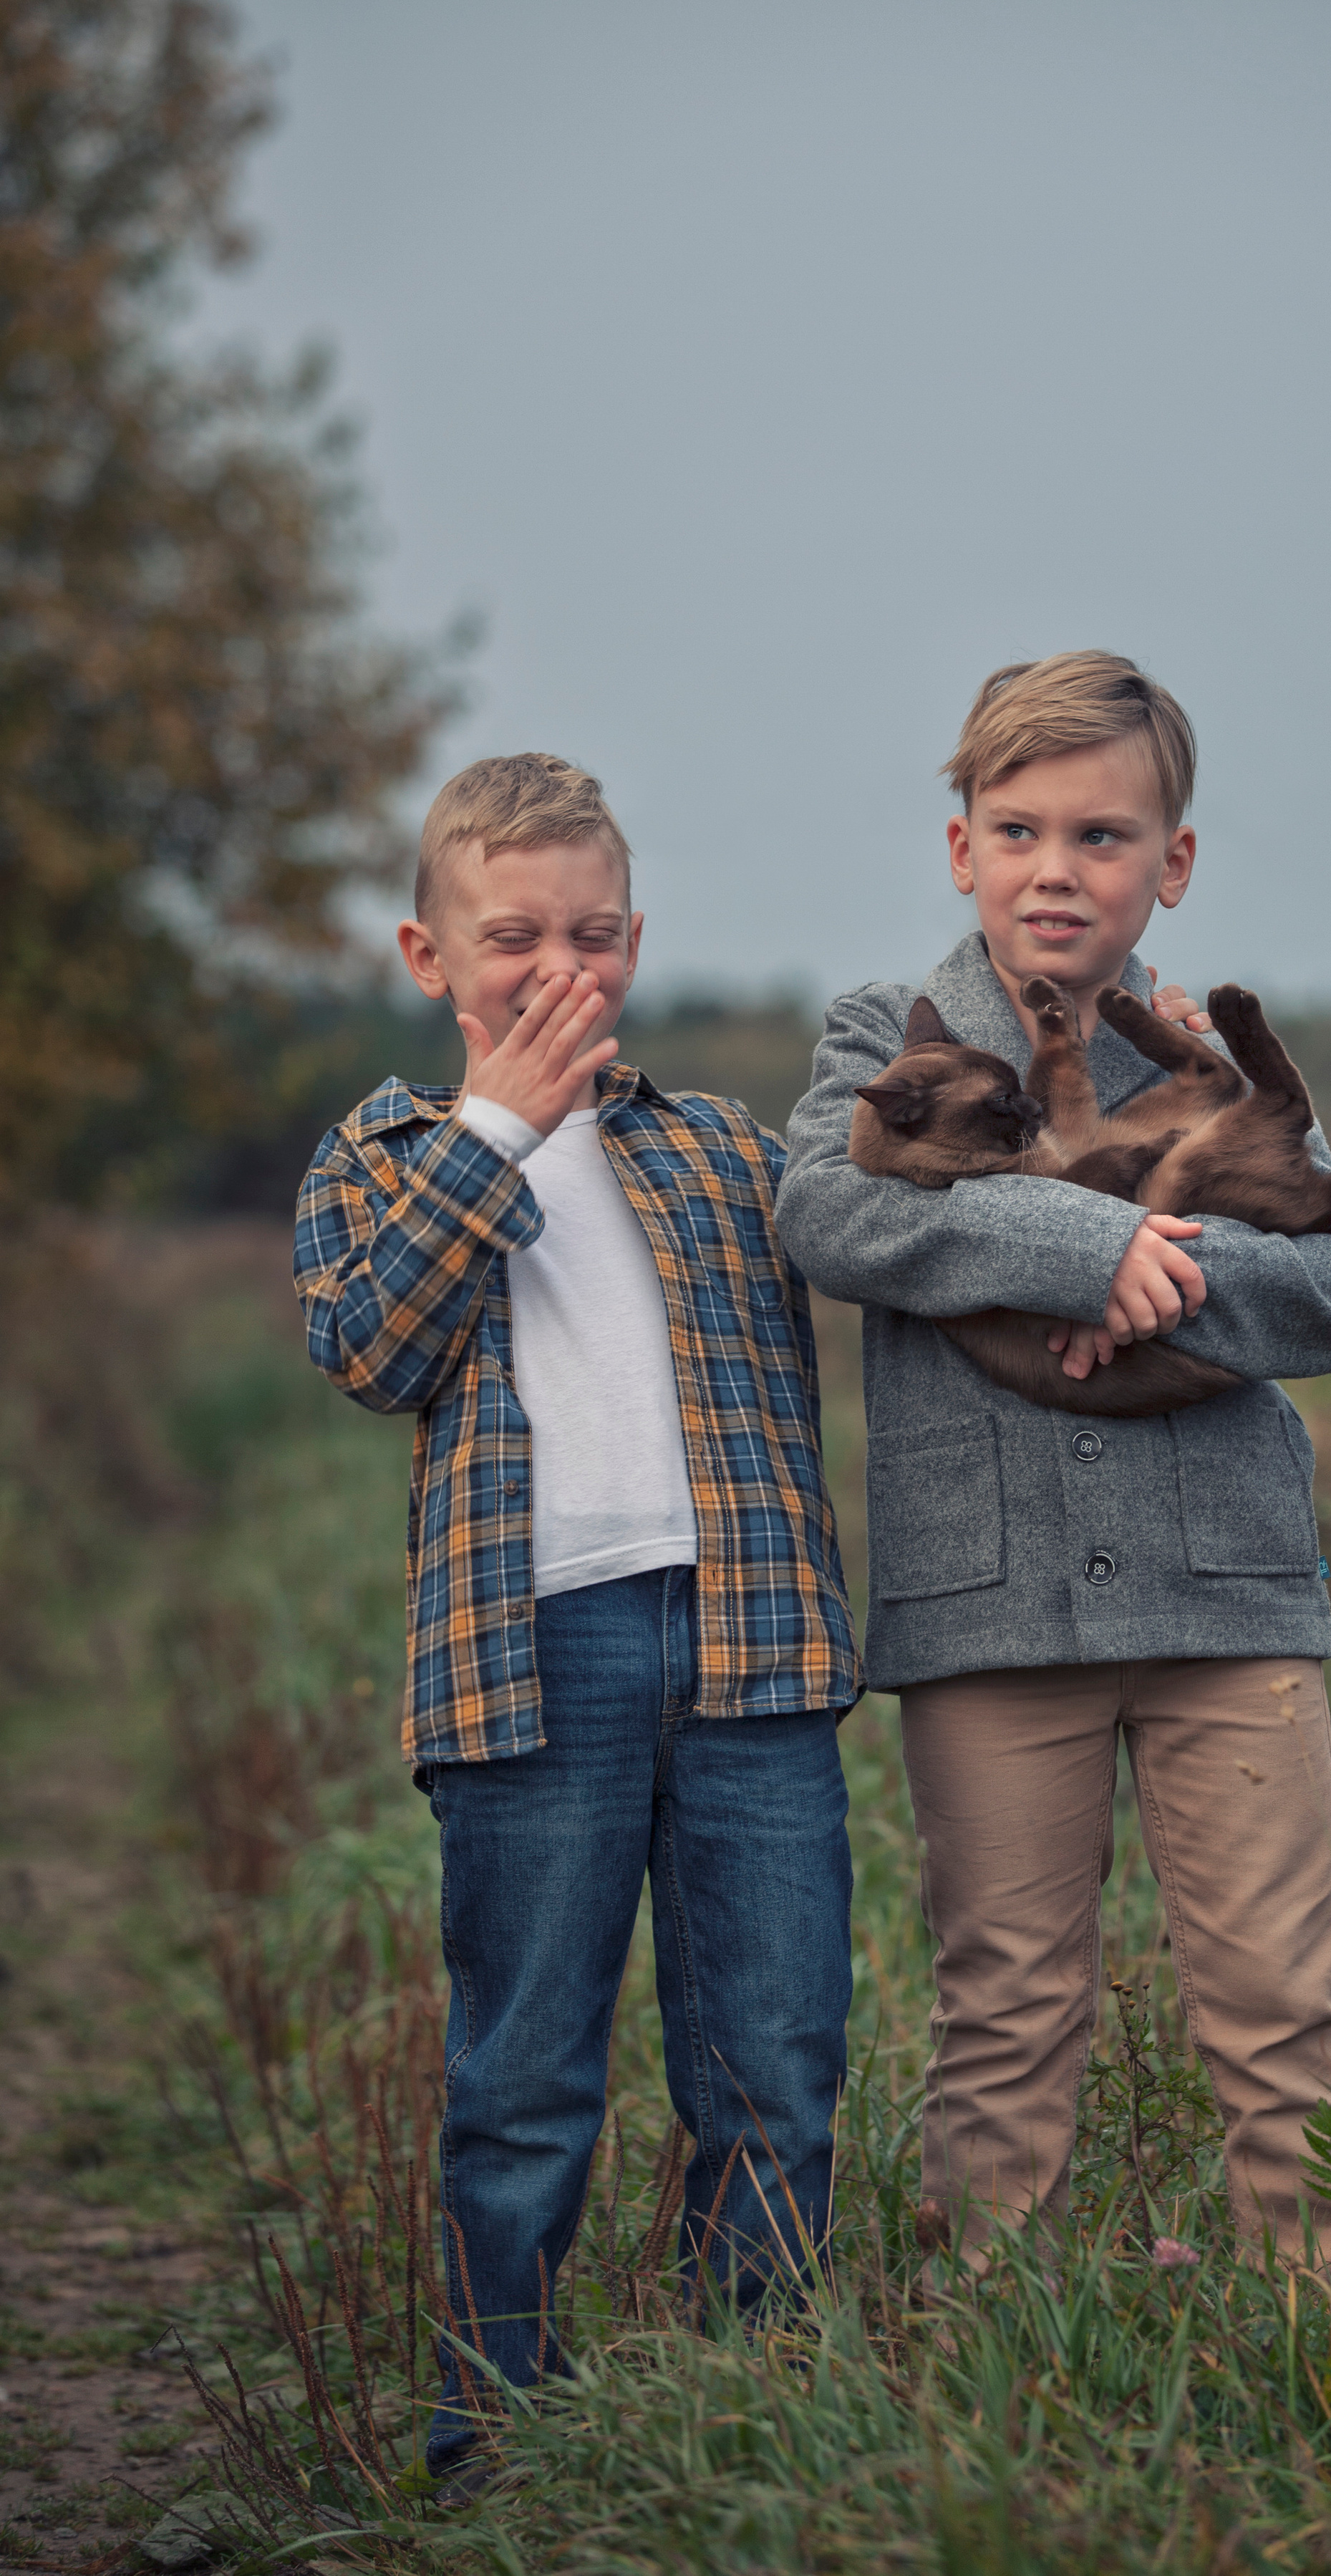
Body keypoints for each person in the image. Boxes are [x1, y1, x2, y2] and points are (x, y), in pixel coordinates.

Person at [775, 653, 1331, 2274]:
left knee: (1285, 1993)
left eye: (1102, 836)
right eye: (1019, 830)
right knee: (1004, 2003)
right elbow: (829, 1209)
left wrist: (1169, 1273)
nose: (1055, 869)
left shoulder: (1198, 1059)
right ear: (961, 849)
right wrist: (1080, 1246)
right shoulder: (886, 1036)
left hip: (1228, 1601)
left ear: (1170, 864)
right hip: (991, 1610)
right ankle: (995, 2340)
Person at [294, 753, 860, 2493]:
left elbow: (883, 1250)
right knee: (526, 2070)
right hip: (532, 1659)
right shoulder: (384, 1157)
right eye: (513, 936)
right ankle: (497, 2426)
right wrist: (495, 1130)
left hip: (752, 1641)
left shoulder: (717, 1148)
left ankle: (750, 2406)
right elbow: (372, 1349)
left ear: (635, 941)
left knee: (774, 2056)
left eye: (593, 934)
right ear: (427, 955)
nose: (558, 968)